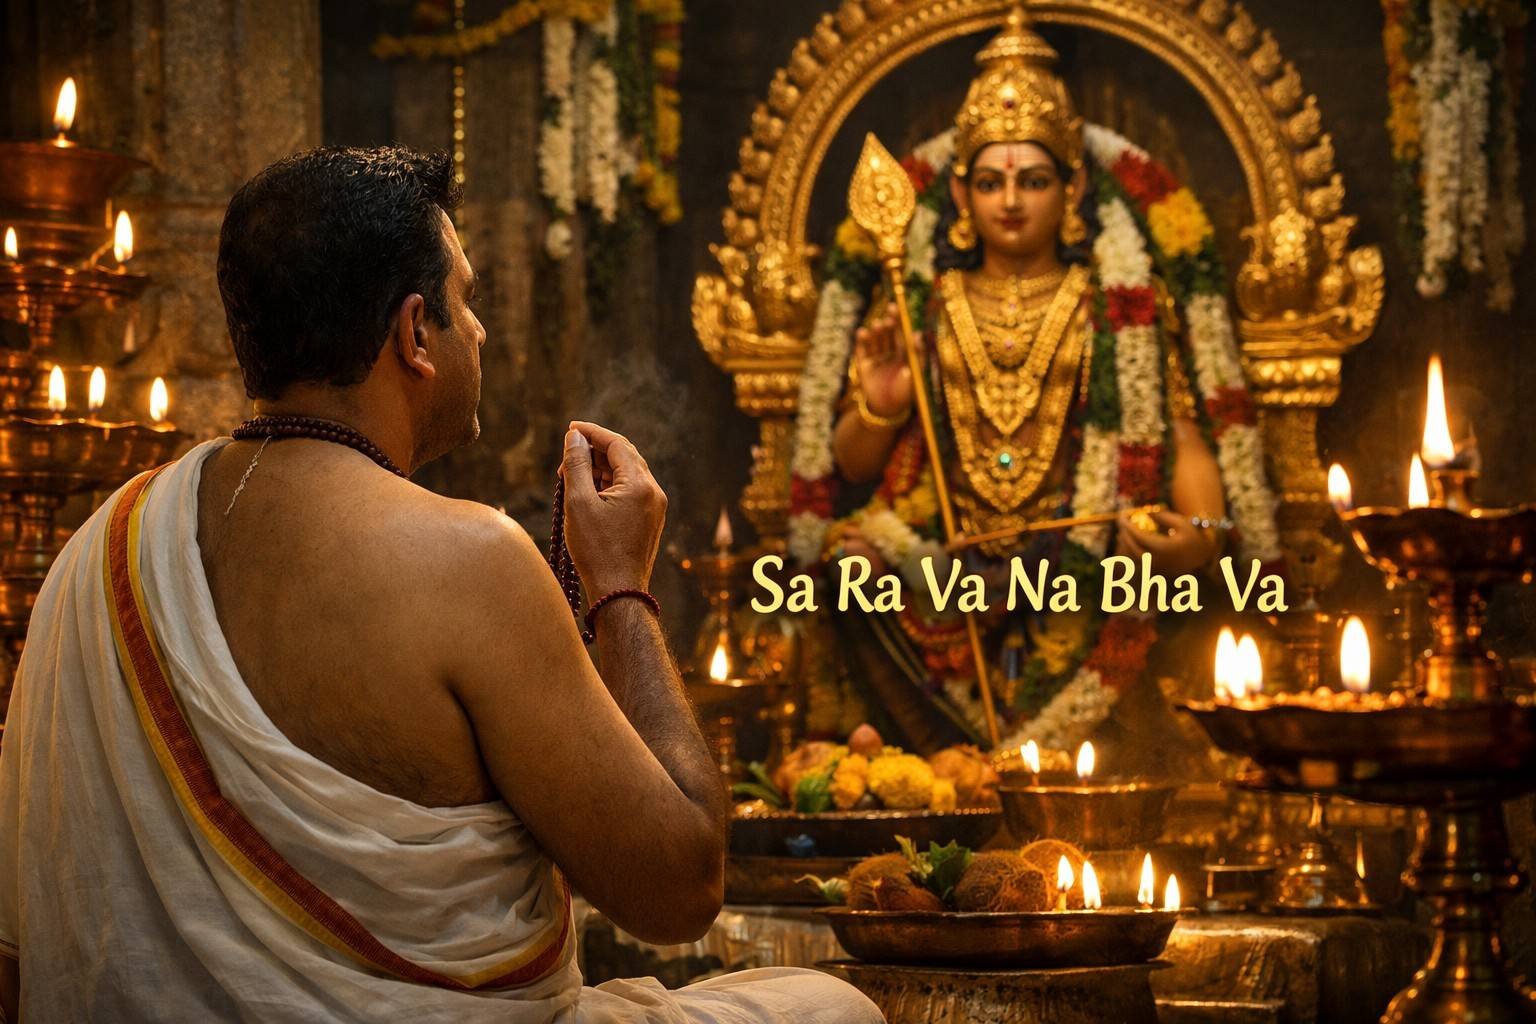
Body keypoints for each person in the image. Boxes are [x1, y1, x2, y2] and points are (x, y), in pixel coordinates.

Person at [0, 146, 881, 1023]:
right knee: (832, 1006)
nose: (484, 330)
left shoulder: (102, 548)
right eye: (468, 300)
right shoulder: (468, 559)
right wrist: (620, 586)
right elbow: (681, 887)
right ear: (415, 333)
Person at [786, 6, 1279, 755]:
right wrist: (880, 408)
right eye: (989, 182)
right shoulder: (925, 301)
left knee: (1130, 584)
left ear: (1073, 189)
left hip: (1082, 555)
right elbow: (853, 466)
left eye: (1034, 179)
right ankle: (945, 768)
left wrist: (1201, 541)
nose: (1010, 201)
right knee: (850, 569)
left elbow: (1182, 440)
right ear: (959, 197)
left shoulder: (1121, 305)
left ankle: (1057, 772)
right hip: (945, 555)